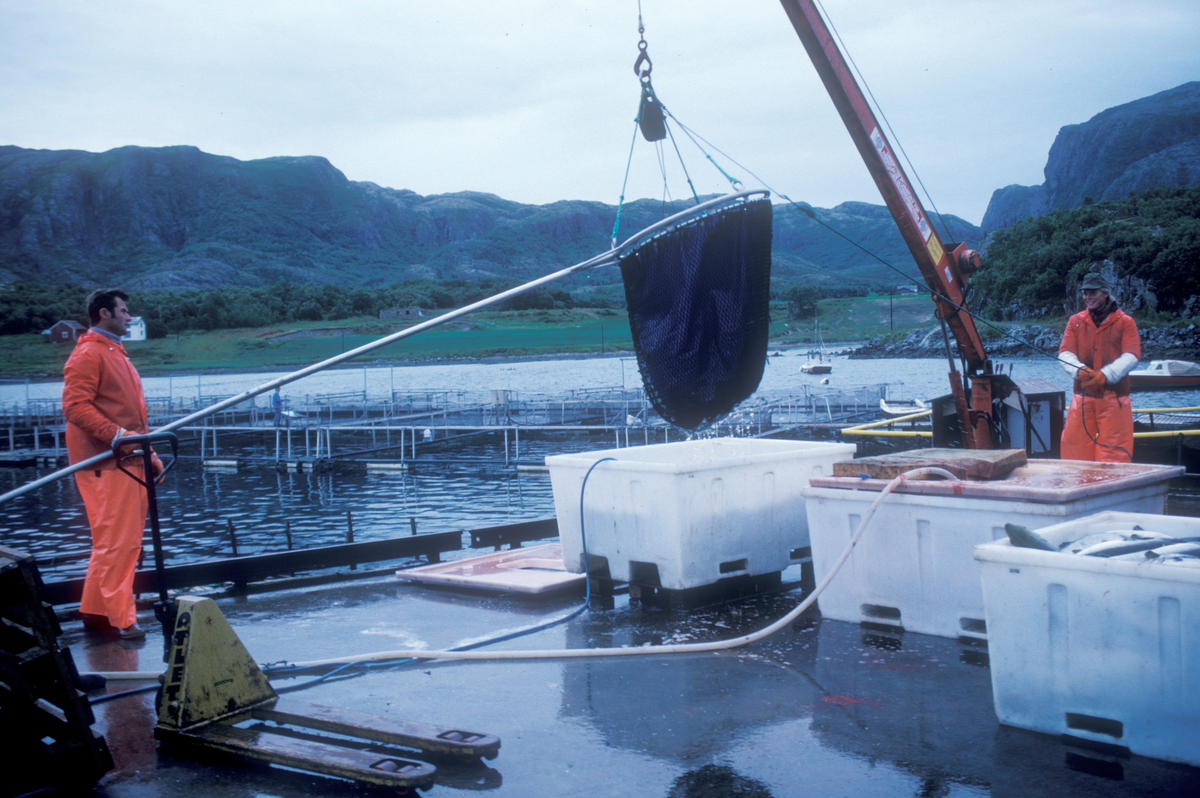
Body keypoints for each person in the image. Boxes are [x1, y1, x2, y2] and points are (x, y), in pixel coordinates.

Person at [63, 289, 163, 639]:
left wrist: (147, 453)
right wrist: (119, 436)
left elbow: (131, 415)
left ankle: (95, 612)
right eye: (123, 311)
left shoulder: (115, 353)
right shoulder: (88, 354)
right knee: (119, 543)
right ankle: (122, 619)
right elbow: (75, 407)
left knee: (116, 540)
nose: (129, 317)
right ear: (104, 313)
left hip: (127, 458)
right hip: (105, 462)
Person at [1057, 271, 1141, 462]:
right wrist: (1078, 369)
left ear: (1105, 293)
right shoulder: (1075, 321)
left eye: (1093, 292)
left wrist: (1106, 375)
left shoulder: (1125, 322)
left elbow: (1132, 356)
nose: (1087, 297)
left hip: (1114, 400)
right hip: (1082, 399)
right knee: (1073, 452)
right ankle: (1077, 491)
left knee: (1114, 455)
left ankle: (1111, 490)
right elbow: (1064, 353)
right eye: (1085, 293)